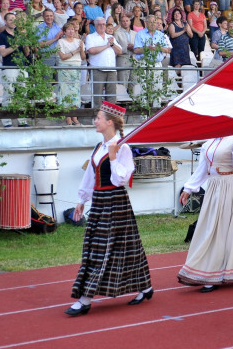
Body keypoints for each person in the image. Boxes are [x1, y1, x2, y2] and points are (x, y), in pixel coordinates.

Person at [66, 102, 153, 316]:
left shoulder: (122, 147)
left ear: (109, 122)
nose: (95, 121)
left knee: (101, 249)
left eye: (98, 118)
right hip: (99, 202)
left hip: (115, 201)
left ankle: (85, 299)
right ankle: (146, 286)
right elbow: (90, 176)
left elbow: (120, 179)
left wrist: (113, 157)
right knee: (125, 247)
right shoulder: (98, 147)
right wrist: (82, 200)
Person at [177, 134, 233, 291]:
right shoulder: (208, 142)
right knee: (211, 227)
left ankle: (216, 272)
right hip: (213, 188)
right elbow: (203, 170)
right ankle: (213, 269)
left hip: (229, 186)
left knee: (225, 228)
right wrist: (188, 188)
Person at [86, 17, 120, 106]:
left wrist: (112, 44)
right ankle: (97, 118)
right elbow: (91, 50)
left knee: (111, 97)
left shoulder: (110, 37)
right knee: (97, 96)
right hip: (98, 70)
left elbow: (119, 51)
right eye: (99, 24)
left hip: (111, 70)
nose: (102, 26)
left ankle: (110, 119)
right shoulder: (90, 37)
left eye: (103, 24)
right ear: (96, 25)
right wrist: (107, 46)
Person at [58, 22, 85, 125]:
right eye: (68, 29)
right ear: (65, 32)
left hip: (76, 68)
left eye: (72, 29)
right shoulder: (61, 41)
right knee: (65, 92)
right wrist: (76, 50)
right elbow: (63, 57)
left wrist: (81, 49)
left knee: (75, 92)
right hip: (65, 68)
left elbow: (83, 57)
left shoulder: (79, 41)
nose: (71, 31)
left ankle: (74, 116)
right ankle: (68, 117)